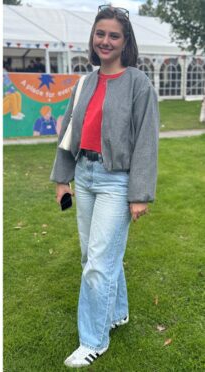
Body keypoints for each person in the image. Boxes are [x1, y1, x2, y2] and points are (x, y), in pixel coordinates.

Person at [50, 5, 159, 368]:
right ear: (93, 38)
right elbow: (69, 133)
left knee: (98, 261)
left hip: (117, 181)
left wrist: (139, 194)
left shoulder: (138, 83)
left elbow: (146, 141)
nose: (106, 41)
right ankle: (118, 313)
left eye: (114, 35)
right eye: (101, 34)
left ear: (125, 41)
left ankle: (94, 340)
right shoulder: (84, 83)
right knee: (95, 257)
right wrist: (62, 179)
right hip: (84, 175)